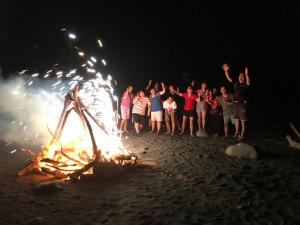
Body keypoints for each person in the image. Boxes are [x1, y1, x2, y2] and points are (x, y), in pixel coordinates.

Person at [222, 63, 250, 140]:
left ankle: (242, 135)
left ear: (243, 78)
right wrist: (226, 71)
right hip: (235, 103)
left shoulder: (245, 84)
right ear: (238, 77)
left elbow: (248, 82)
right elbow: (229, 78)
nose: (241, 77)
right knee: (237, 119)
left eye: (242, 76)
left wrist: (246, 74)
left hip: (241, 104)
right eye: (240, 76)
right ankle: (236, 133)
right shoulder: (236, 83)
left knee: (242, 120)